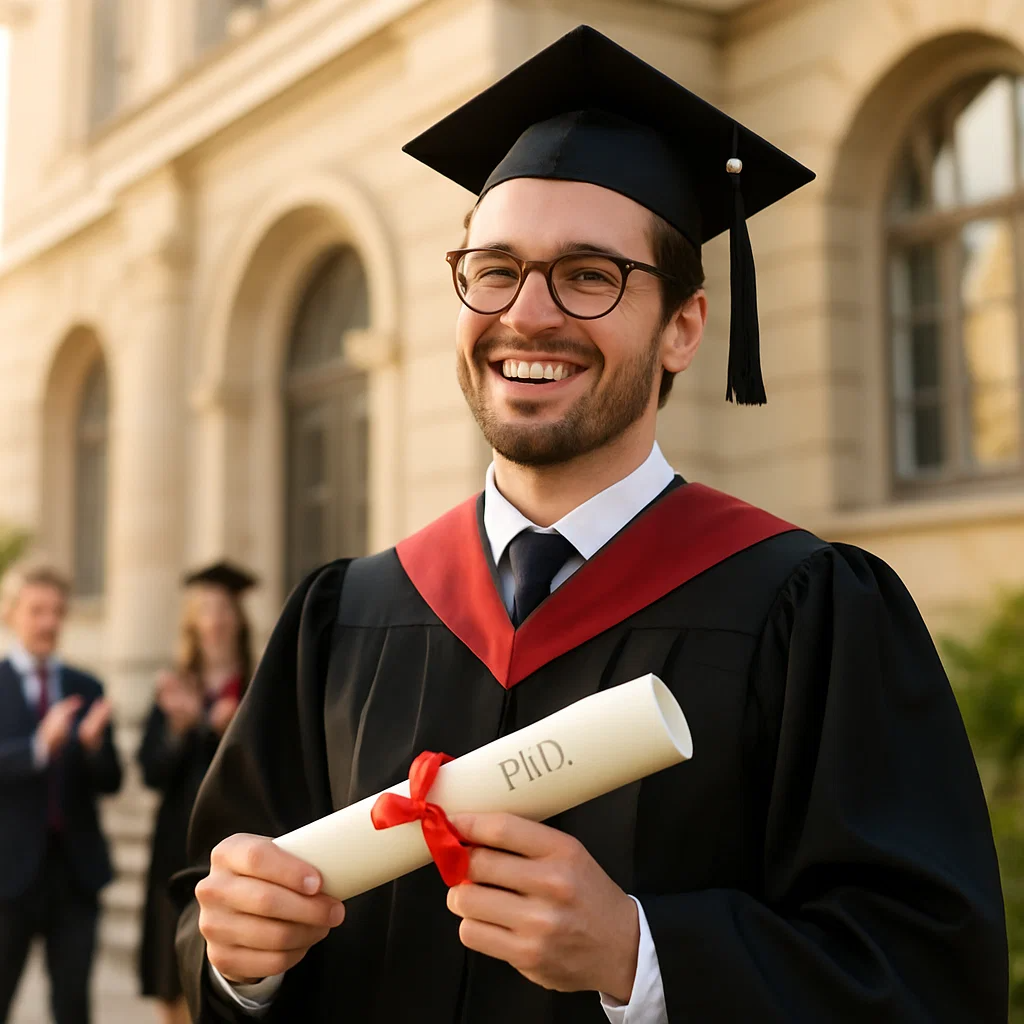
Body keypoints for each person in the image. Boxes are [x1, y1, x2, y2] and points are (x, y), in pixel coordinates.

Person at [174, 25, 1008, 1023]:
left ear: (683, 328)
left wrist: (642, 957)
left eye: (588, 274)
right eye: (494, 269)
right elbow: (209, 910)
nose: (527, 313)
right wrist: (238, 959)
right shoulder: (344, 614)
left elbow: (923, 975)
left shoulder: (806, 606)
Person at [0, 559, 122, 1024]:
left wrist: (92, 749)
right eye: (37, 610)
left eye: (57, 611)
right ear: (11, 613)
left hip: (75, 873)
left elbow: (113, 781)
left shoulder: (85, 686)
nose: (50, 622)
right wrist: (36, 748)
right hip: (7, 877)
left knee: (73, 1005)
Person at [138, 561, 256, 1024]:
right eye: (206, 610)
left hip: (235, 841)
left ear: (239, 618)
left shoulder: (257, 684)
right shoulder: (173, 687)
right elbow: (151, 773)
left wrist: (233, 729)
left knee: (229, 978)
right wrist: (182, 731)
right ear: (193, 622)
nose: (217, 619)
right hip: (176, 848)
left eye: (225, 608)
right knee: (171, 973)